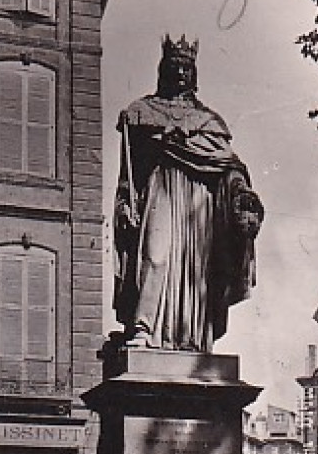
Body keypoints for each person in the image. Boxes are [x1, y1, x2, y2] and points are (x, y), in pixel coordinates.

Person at [113, 35, 265, 352]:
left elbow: (228, 166)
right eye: (174, 66)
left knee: (196, 269)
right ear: (163, 69)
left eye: (187, 67)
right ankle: (144, 328)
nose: (180, 73)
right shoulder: (141, 111)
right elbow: (129, 172)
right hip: (161, 191)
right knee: (155, 256)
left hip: (200, 200)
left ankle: (192, 337)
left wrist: (241, 193)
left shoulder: (210, 121)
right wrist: (126, 200)